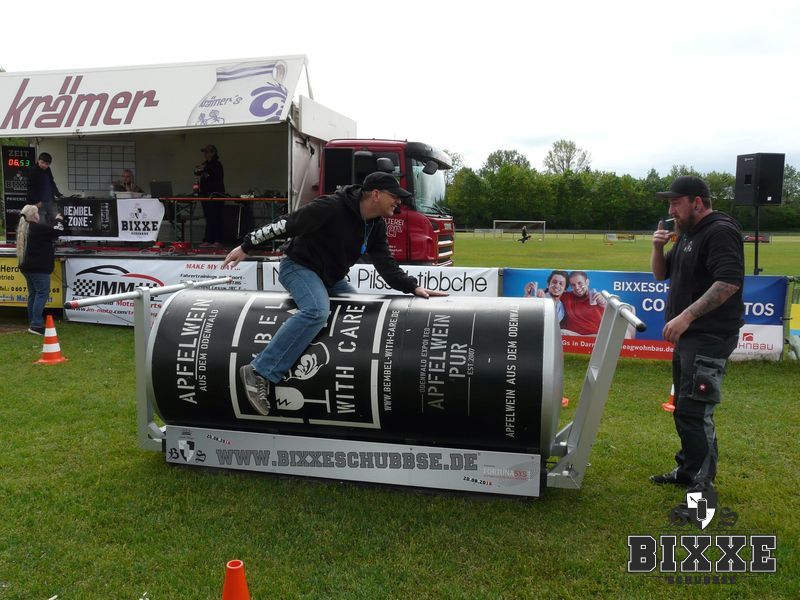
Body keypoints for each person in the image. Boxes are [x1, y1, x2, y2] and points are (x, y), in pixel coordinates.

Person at [222, 171, 448, 415]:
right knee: (316, 311)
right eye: (394, 196)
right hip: (298, 267)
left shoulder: (376, 225)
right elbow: (287, 224)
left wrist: (412, 287)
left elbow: (386, 264)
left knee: (357, 309)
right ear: (376, 194)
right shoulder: (331, 207)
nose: (398, 202)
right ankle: (259, 371)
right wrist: (247, 245)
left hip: (331, 278)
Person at [649, 175, 744, 494]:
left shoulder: (720, 231)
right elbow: (661, 274)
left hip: (709, 336)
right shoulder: (688, 233)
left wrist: (686, 317)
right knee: (685, 407)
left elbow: (728, 283)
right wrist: (657, 247)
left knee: (695, 409)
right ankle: (688, 470)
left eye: (676, 203)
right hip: (690, 337)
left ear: (697, 202)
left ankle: (702, 485)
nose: (671, 211)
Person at [16, 204, 65, 335]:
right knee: (42, 293)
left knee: (33, 294)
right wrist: (58, 219)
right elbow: (57, 231)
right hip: (38, 268)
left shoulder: (25, 228)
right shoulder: (38, 228)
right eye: (38, 213)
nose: (39, 215)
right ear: (34, 216)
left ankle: (33, 322)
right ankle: (36, 325)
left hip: (26, 266)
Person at [194, 144, 226, 246]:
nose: (205, 154)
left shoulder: (217, 165)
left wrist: (203, 171)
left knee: (216, 217)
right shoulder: (205, 164)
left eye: (207, 152)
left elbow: (212, 176)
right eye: (204, 152)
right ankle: (208, 239)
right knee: (209, 218)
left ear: (213, 153)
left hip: (215, 195)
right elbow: (199, 174)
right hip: (205, 195)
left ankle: (218, 240)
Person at [560, 271, 606, 335]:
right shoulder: (566, 296)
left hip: (594, 337)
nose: (577, 288)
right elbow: (551, 294)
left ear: (587, 282)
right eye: (573, 285)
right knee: (561, 332)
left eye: (580, 283)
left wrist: (604, 303)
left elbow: (611, 313)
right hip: (574, 337)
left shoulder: (598, 297)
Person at [26, 152, 64, 225]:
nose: (44, 165)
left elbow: (51, 182)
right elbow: (30, 188)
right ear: (38, 160)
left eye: (46, 164)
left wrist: (58, 194)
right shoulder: (33, 171)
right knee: (41, 222)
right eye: (42, 162)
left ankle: (55, 231)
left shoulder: (48, 170)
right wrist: (36, 201)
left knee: (57, 219)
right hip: (38, 202)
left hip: (50, 200)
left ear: (49, 164)